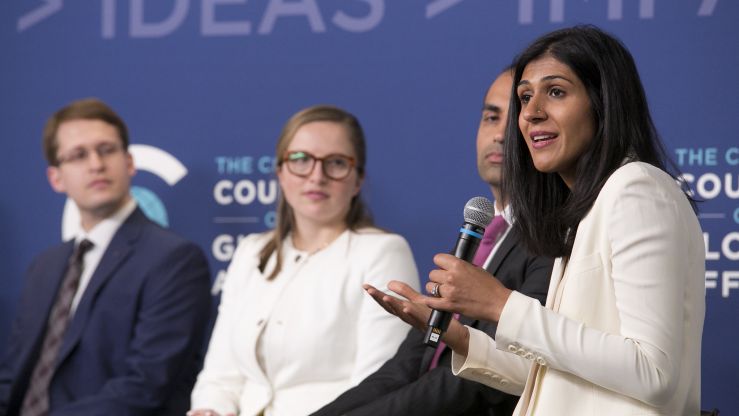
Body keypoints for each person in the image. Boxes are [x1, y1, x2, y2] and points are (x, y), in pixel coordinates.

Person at [383, 25, 703, 415]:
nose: (531, 114)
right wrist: (459, 335)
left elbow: (653, 373)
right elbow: (558, 378)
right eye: (525, 97)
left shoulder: (637, 189)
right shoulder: (584, 210)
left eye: (555, 92)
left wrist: (501, 304)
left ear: (603, 102)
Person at [310, 70, 553, 416]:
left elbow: (474, 382)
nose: (499, 135)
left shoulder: (550, 240)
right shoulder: (476, 233)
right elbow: (407, 365)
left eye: (514, 119)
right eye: (490, 117)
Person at [189, 105, 420, 416]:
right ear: (281, 173)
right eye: (301, 160)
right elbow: (219, 376)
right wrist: (210, 410)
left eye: (336, 163)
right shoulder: (250, 252)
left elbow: (378, 387)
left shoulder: (382, 252)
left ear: (358, 180)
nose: (317, 176)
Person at [0, 98, 212, 415]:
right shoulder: (44, 266)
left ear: (129, 163)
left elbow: (145, 386)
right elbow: (13, 376)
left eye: (107, 150)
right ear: (56, 179)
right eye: (78, 155)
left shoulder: (175, 260)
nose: (96, 164)